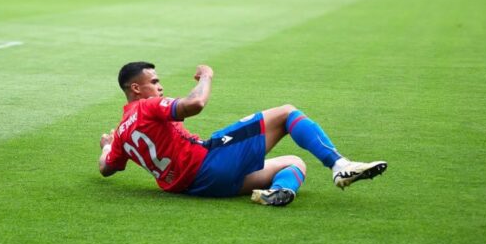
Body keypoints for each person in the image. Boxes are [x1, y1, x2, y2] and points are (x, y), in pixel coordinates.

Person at [98, 62, 387, 206]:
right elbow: (195, 104)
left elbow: (106, 168)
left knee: (294, 163)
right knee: (286, 113)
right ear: (136, 89)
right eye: (154, 81)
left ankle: (278, 192)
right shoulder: (147, 106)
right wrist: (207, 76)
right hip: (207, 163)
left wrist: (105, 146)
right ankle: (340, 166)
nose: (159, 87)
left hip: (193, 188)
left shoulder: (122, 133)